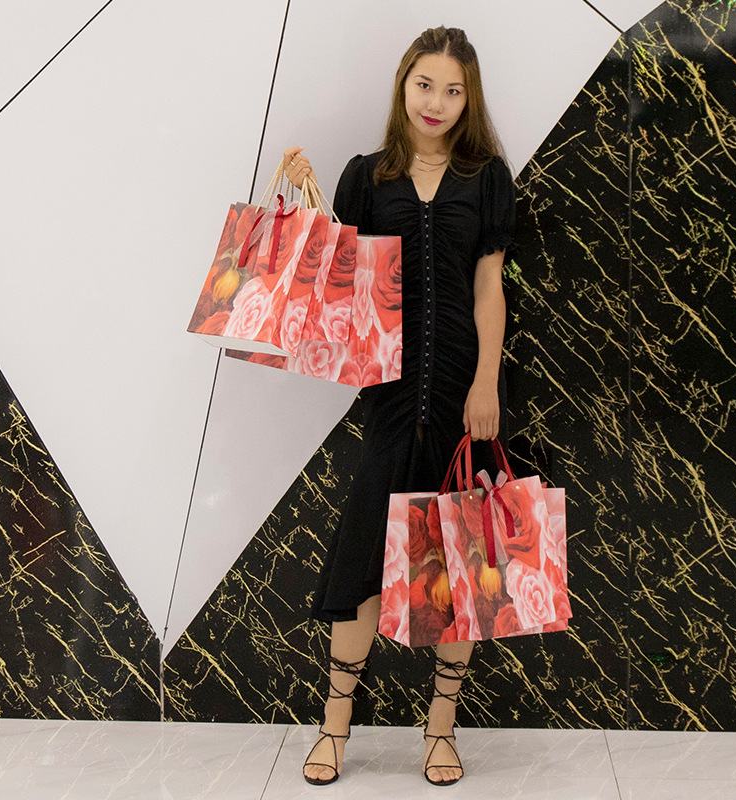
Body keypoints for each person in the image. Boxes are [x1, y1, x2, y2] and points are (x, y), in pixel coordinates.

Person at [282, 24, 516, 787]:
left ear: (467, 97)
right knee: (361, 565)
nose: (438, 102)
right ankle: (335, 728)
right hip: (386, 398)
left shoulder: (486, 180)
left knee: (459, 563)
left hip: (459, 398)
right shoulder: (367, 175)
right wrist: (302, 194)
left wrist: (486, 383)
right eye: (426, 85)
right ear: (403, 86)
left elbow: (490, 288)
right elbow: (337, 277)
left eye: (454, 89)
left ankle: (440, 733)